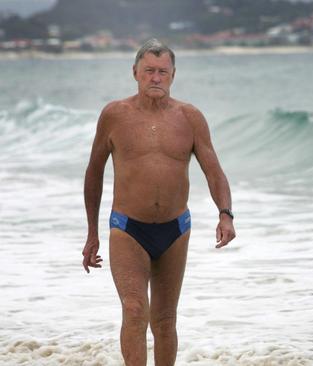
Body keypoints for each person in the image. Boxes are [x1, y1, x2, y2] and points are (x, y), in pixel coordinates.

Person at [82, 38, 236, 366]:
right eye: (149, 71)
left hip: (176, 229)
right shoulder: (114, 115)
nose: (155, 78)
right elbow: (94, 173)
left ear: (173, 75)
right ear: (135, 73)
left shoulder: (190, 117)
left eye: (162, 72)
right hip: (127, 227)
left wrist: (225, 214)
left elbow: (214, 171)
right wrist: (92, 233)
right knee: (135, 310)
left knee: (165, 320)